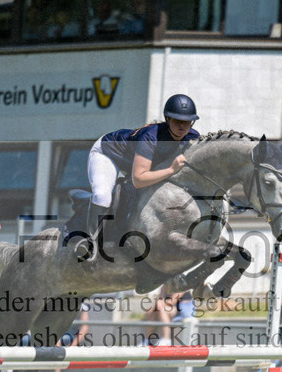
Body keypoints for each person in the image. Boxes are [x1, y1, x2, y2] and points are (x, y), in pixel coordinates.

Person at [75, 94, 201, 258]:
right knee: (102, 195)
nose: (182, 127)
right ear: (168, 119)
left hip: (134, 163)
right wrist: (171, 170)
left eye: (187, 122)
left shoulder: (192, 137)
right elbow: (139, 179)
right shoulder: (150, 137)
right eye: (178, 121)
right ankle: (91, 242)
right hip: (108, 153)